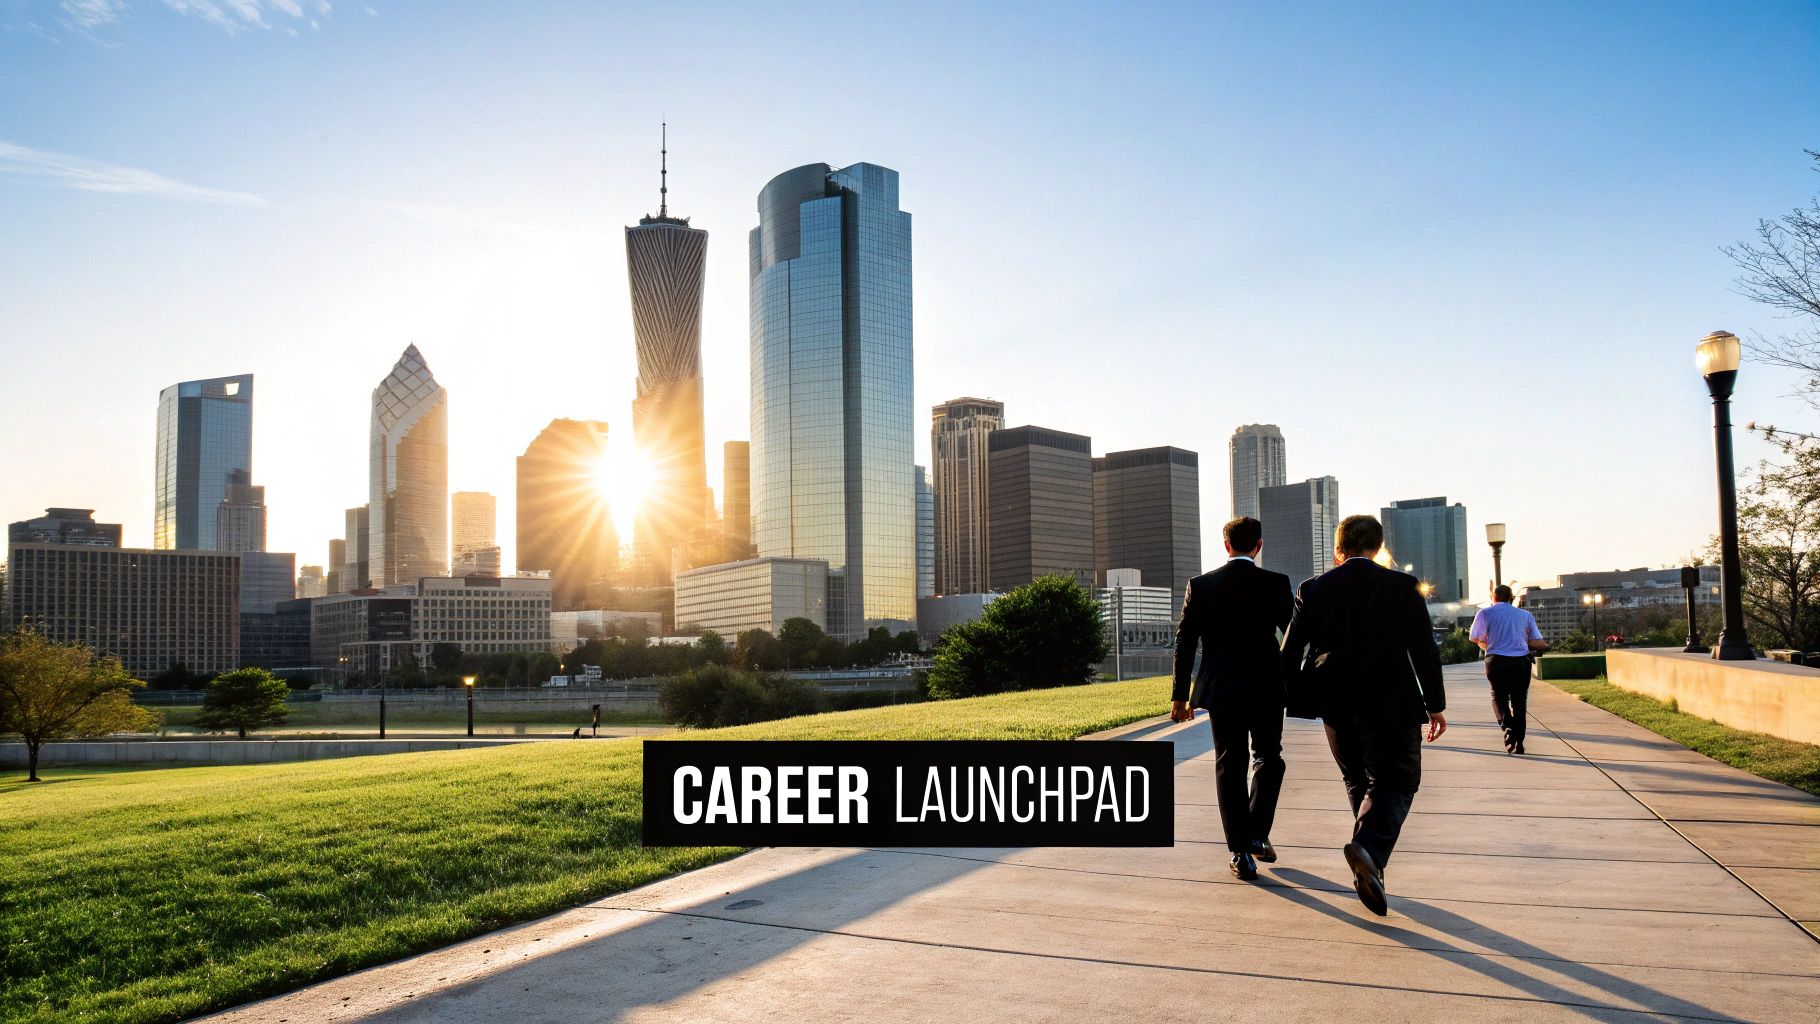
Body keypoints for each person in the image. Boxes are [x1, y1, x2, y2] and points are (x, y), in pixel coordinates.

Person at [1279, 514, 1445, 917]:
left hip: (1334, 700)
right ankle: (1368, 850)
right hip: (1391, 698)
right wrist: (1435, 705)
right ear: (1379, 547)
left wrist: (1287, 698)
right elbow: (1424, 649)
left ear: (1338, 551)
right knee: (1399, 780)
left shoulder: (1312, 589)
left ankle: (1371, 869)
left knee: (1358, 778)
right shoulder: (1402, 586)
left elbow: (1289, 652)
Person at [1171, 516, 1296, 881]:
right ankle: (1257, 832)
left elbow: (1185, 642)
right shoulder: (1276, 584)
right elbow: (1293, 636)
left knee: (1230, 763)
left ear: (1226, 545)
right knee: (1270, 758)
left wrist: (1181, 695)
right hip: (1267, 686)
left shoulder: (1201, 585)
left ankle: (1241, 851)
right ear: (1258, 546)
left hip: (1222, 688)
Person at [1469, 584, 1547, 754]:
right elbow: (1535, 640)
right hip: (1520, 663)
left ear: (1494, 597)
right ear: (1512, 598)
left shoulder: (1485, 613)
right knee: (1519, 702)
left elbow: (1475, 637)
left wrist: (1486, 645)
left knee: (1498, 696)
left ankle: (1507, 726)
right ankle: (1519, 744)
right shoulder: (1525, 615)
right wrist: (1545, 645)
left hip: (1496, 662)